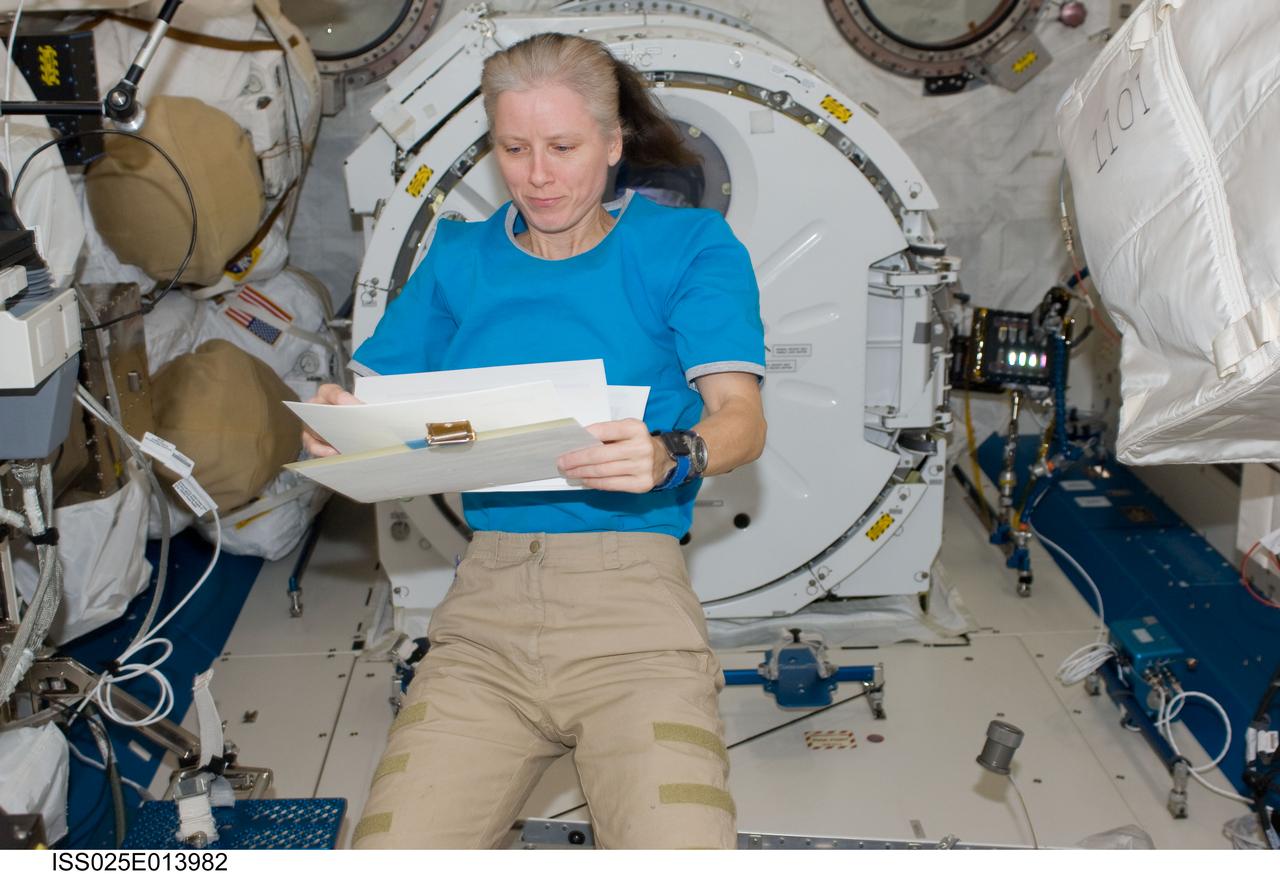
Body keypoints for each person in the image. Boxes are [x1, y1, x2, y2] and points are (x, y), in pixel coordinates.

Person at [302, 32, 766, 849]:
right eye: (514, 149)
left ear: (615, 144)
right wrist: (339, 428)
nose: (538, 174)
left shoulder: (688, 247)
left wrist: (676, 452)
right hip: (486, 613)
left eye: (562, 146)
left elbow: (741, 416)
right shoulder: (456, 258)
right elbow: (379, 409)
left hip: (636, 616)